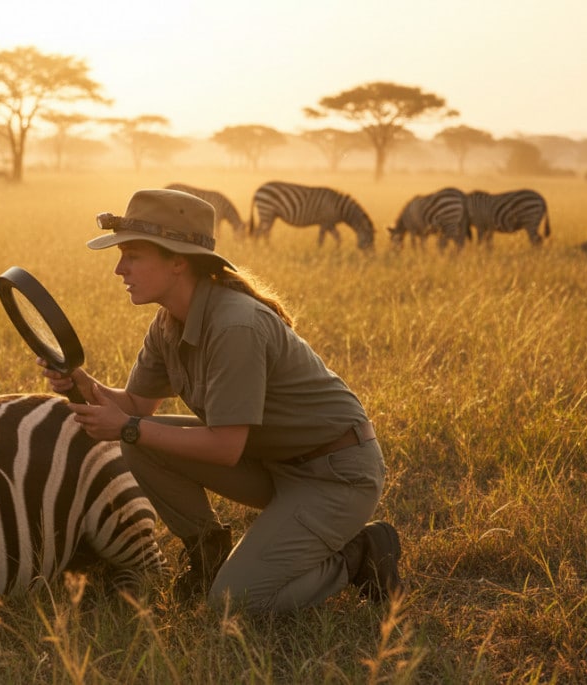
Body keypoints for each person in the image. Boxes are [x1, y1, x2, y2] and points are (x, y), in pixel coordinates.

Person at [40, 188, 402, 614]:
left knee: (234, 604)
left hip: (334, 475)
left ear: (178, 261)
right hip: (274, 464)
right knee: (138, 440)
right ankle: (206, 555)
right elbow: (137, 404)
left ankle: (358, 555)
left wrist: (127, 427)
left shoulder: (235, 327)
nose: (119, 268)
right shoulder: (168, 321)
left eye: (133, 255)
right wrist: (83, 384)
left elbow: (224, 448)